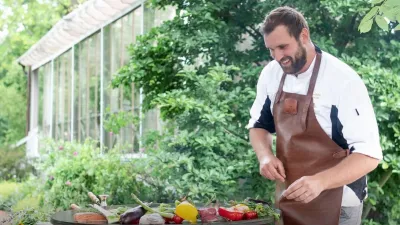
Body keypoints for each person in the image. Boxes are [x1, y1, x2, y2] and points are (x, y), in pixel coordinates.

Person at [247, 6, 383, 225]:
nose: (278, 57)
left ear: (304, 35)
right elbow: (258, 125)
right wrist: (264, 155)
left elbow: (369, 155)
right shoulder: (271, 74)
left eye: (283, 47)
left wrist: (320, 181)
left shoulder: (343, 80)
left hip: (339, 204)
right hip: (290, 200)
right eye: (271, 50)